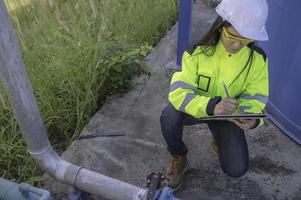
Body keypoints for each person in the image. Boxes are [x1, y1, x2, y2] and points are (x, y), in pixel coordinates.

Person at [160, 0, 269, 191]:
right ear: (220, 26)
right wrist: (211, 106)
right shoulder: (198, 51)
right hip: (199, 108)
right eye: (232, 36)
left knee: (237, 169)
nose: (236, 45)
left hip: (227, 117)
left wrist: (250, 117)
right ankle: (179, 156)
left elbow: (257, 98)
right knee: (169, 116)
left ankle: (218, 137)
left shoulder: (257, 60)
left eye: (244, 41)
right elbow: (178, 92)